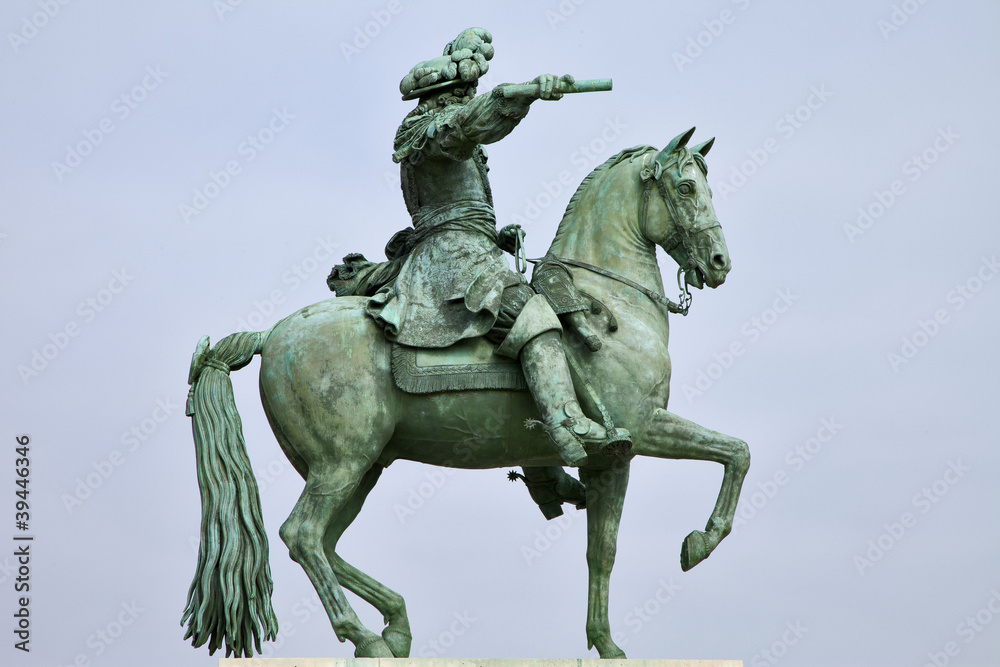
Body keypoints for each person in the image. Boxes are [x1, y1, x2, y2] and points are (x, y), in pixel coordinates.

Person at [364, 27, 620, 467]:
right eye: (464, 90)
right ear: (443, 96)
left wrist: (497, 236)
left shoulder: (437, 132)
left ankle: (541, 470)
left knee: (518, 335)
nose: (469, 95)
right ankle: (566, 423)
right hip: (450, 256)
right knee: (529, 311)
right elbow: (472, 123)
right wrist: (520, 95)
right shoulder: (435, 129)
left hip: (469, 245)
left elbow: (459, 204)